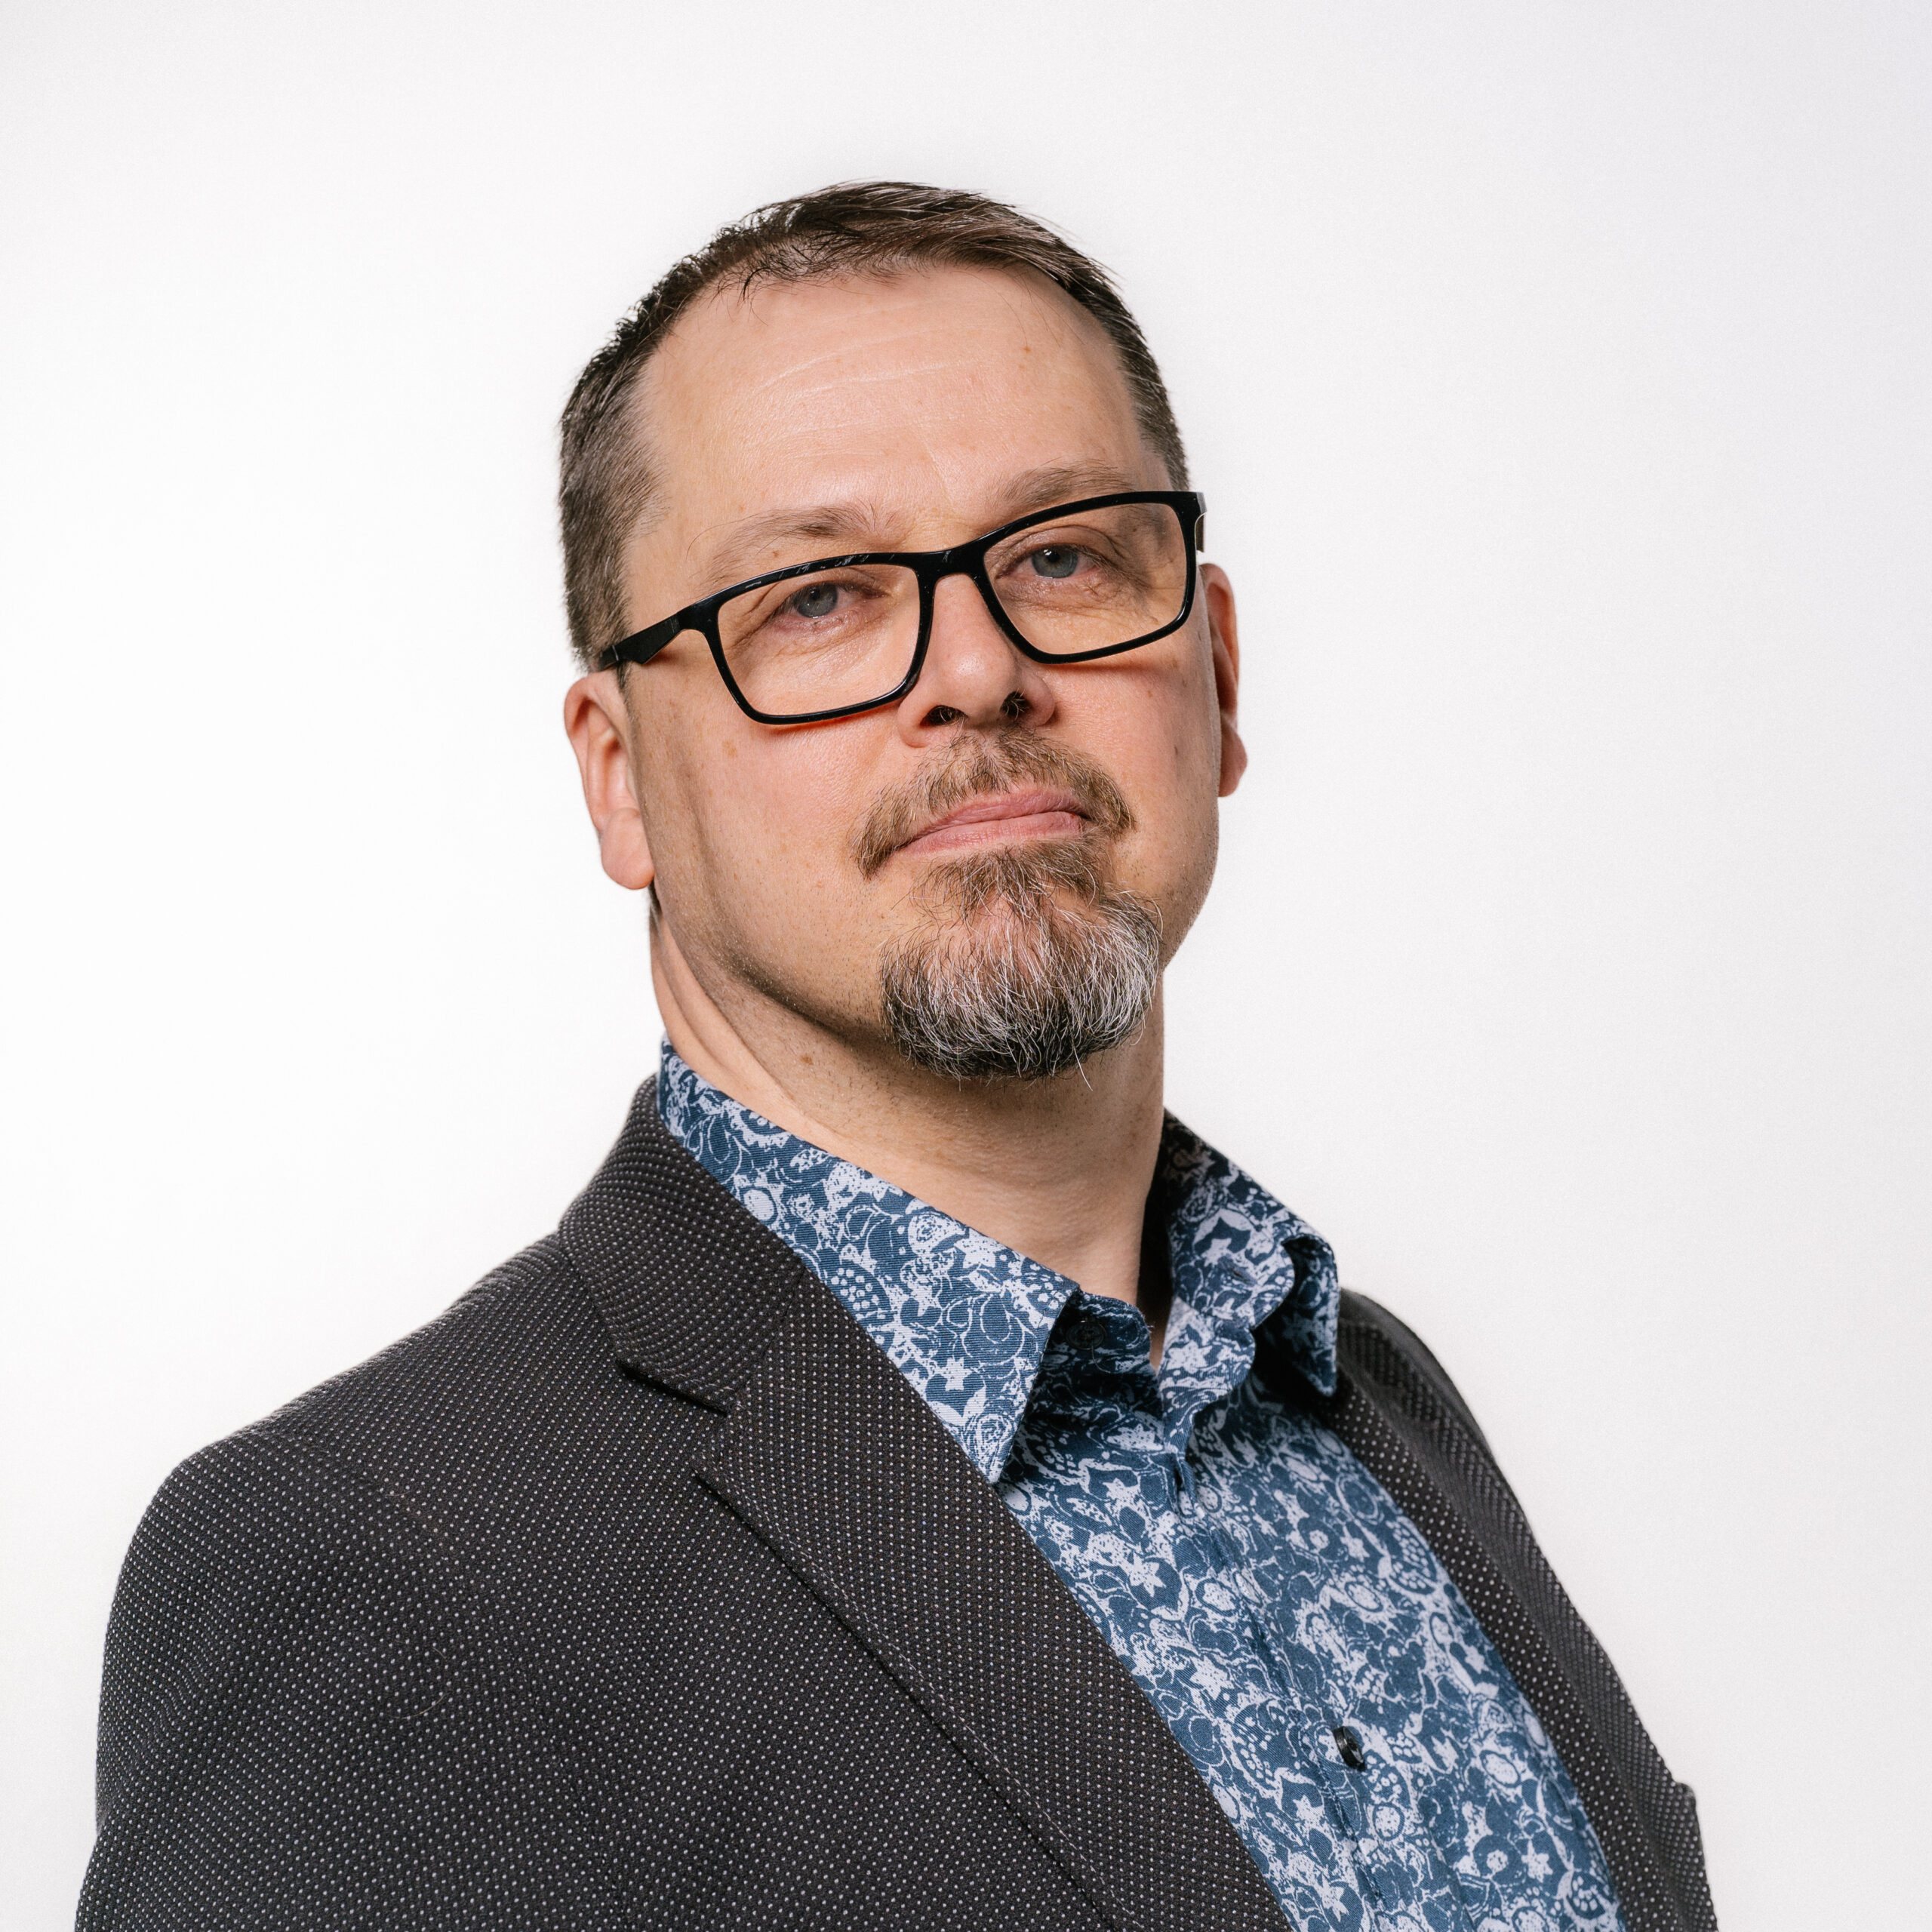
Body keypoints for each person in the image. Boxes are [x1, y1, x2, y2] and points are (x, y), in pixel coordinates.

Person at [78, 183, 1718, 1932]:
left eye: (1064, 557)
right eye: (816, 599)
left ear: (1217, 671)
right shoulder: (383, 1559)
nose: (980, 668)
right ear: (620, 777)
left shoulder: (1370, 1398)